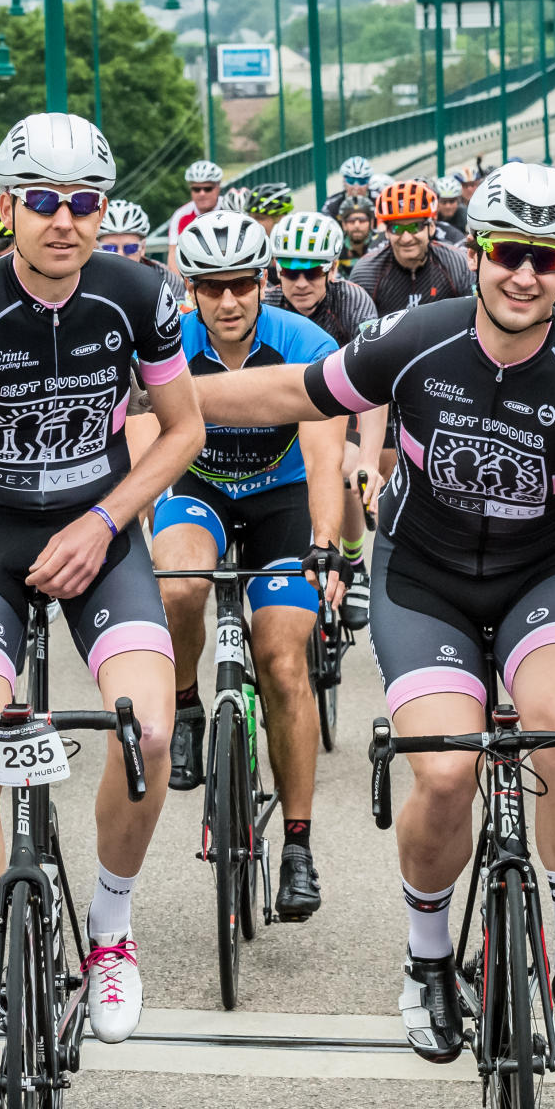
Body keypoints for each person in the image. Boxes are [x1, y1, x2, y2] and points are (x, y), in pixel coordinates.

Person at [189, 162, 555, 1064]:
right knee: (442, 774)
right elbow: (297, 392)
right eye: (509, 253)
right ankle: (429, 960)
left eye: (547, 260)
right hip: (424, 576)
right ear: (475, 254)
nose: (525, 275)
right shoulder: (419, 336)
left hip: (540, 576)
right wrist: (157, 396)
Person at [0, 112, 207, 1100]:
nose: (64, 221)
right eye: (41, 201)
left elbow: (183, 428)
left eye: (83, 202)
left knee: (151, 736)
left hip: (98, 535)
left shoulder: (138, 296)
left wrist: (105, 518)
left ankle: (111, 935)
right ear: (7, 208)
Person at [154, 211, 346, 921]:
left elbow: (326, 456)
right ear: (191, 290)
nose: (228, 302)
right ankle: (184, 706)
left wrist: (325, 540)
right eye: (211, 288)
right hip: (198, 484)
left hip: (282, 497)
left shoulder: (305, 342)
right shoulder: (168, 339)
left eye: (240, 285)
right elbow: (150, 444)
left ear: (261, 282)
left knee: (284, 659)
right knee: (176, 589)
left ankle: (298, 845)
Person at [265, 210, 383, 630]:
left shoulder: (353, 302)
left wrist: (369, 457)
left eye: (312, 273)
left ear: (332, 269)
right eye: (289, 272)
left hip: (341, 404)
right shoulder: (265, 302)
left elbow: (374, 384)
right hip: (285, 408)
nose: (299, 283)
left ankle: (354, 560)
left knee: (345, 471)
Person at [349, 179, 474, 314]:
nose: (406, 238)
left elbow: (473, 320)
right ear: (386, 232)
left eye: (415, 227)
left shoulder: (457, 263)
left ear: (431, 227)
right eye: (397, 228)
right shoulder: (365, 273)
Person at [169, 159, 225, 239]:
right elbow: (173, 250)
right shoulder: (180, 216)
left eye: (208, 189)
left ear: (218, 188)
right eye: (196, 189)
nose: (202, 194)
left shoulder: (232, 209)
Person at [336, 195, 380, 277]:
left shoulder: (381, 246)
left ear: (372, 223)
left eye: (362, 220)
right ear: (344, 224)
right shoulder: (335, 248)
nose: (357, 225)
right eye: (351, 221)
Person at [322, 155, 375, 219]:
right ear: (343, 181)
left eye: (362, 181)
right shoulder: (332, 203)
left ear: (369, 182)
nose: (356, 187)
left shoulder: (378, 200)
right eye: (351, 181)